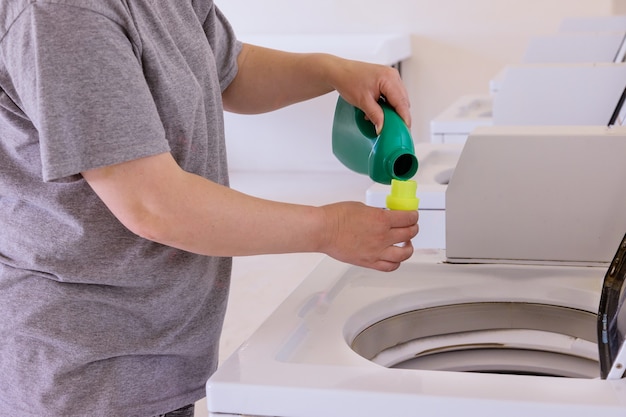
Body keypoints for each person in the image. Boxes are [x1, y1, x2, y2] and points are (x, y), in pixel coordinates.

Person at [0, 1, 418, 416]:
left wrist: (329, 70)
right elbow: (153, 204)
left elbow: (231, 69)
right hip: (85, 366)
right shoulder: (60, 16)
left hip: (158, 349)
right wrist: (327, 228)